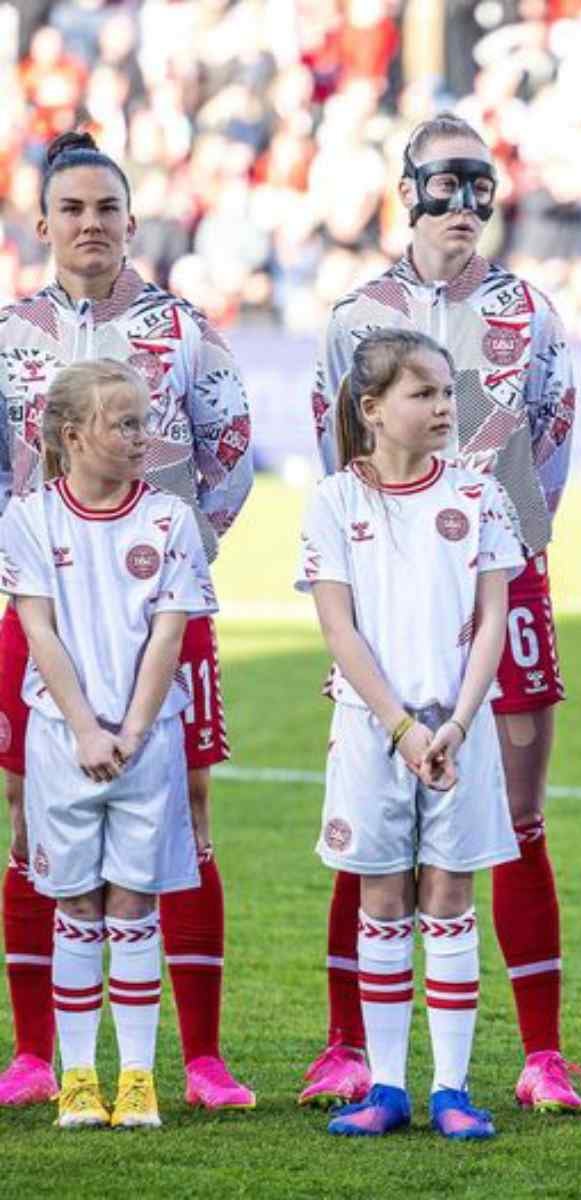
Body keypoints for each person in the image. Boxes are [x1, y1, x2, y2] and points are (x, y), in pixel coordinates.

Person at [304, 113, 581, 1113]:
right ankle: (351, 1051)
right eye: (446, 183)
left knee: (513, 812)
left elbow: (553, 432)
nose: (465, 205)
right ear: (407, 187)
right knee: (371, 813)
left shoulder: (531, 311)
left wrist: (504, 528)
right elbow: (331, 432)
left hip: (496, 567)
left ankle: (541, 1053)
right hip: (384, 584)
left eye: (483, 186)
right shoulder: (356, 313)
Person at [0, 131, 254, 1111]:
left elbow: (231, 441)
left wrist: (179, 547)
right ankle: (35, 1053)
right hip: (40, 606)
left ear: (132, 220)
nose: (91, 224)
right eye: (73, 209)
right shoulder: (14, 333)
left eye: (107, 208)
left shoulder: (183, 329)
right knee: (30, 819)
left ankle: (198, 1058)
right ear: (44, 225)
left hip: (158, 607)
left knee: (186, 819)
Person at [298, 330, 523, 1140]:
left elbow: (494, 614)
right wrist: (398, 727)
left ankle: (452, 1089)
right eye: (421, 393)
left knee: (452, 898)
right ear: (371, 409)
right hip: (371, 731)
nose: (441, 407)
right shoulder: (335, 501)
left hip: (461, 731)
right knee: (383, 900)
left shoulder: (480, 494)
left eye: (445, 393)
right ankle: (388, 1088)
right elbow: (339, 627)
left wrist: (455, 723)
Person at [0, 359, 217, 1129]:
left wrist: (129, 727)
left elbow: (169, 633)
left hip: (145, 740)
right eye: (124, 423)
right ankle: (79, 1077)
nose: (141, 436)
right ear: (72, 436)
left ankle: (136, 1078)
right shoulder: (30, 518)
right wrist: (86, 726)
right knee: (75, 905)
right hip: (65, 739)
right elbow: (37, 631)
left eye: (142, 420)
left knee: (134, 904)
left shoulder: (169, 519)